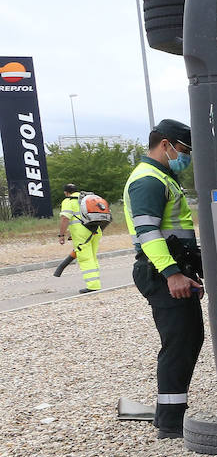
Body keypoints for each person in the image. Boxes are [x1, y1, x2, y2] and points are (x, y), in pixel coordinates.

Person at [123, 119, 204, 439]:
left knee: (187, 340)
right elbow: (148, 232)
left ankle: (170, 417)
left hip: (172, 268)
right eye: (183, 150)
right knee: (179, 344)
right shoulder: (148, 180)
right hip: (161, 272)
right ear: (165, 144)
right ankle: (169, 423)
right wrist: (172, 275)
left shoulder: (162, 177)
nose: (185, 156)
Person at [54, 183, 105, 292]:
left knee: (85, 258)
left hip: (82, 234)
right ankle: (96, 282)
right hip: (95, 230)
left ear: (66, 192)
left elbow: (64, 218)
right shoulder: (86, 199)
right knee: (92, 257)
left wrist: (61, 235)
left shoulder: (68, 201)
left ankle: (93, 286)